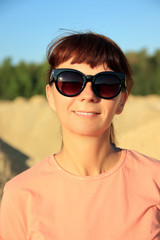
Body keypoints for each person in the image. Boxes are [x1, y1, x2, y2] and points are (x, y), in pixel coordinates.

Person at [0, 32, 160, 240]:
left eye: (106, 84)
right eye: (71, 82)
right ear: (50, 95)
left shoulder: (155, 179)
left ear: (122, 100)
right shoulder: (20, 194)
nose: (88, 94)